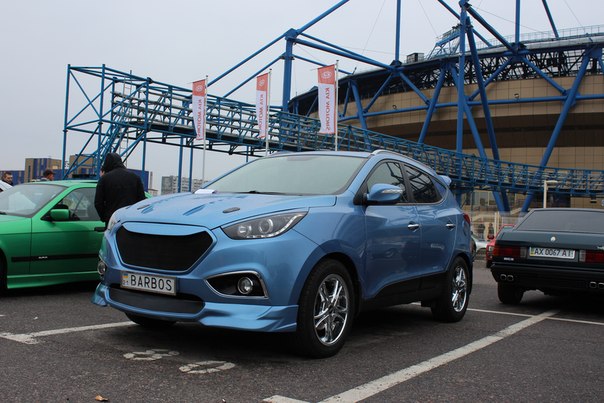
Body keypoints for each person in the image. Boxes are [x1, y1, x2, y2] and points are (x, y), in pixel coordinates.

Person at [94, 153, 146, 227]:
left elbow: (98, 203)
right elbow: (142, 201)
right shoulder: (135, 177)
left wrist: (105, 218)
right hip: (130, 221)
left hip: (112, 221)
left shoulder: (105, 179)